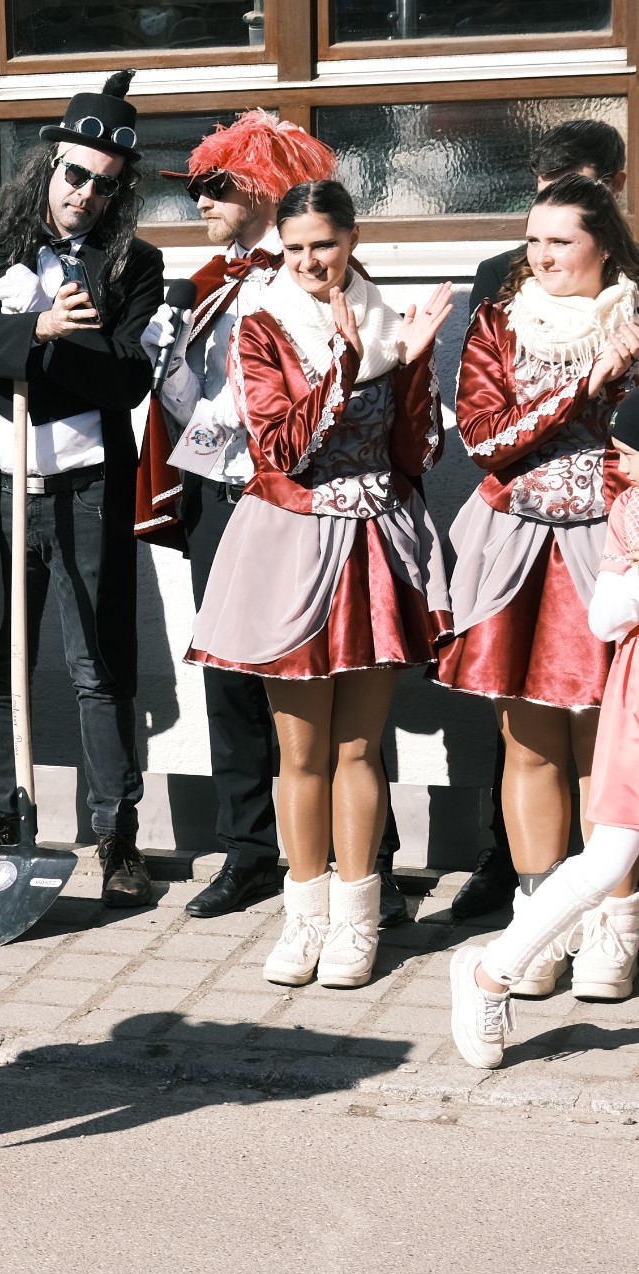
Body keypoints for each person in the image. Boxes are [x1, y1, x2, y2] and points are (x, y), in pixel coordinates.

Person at [185, 182, 451, 989]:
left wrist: (412, 366)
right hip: (292, 545)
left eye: (324, 245)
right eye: (295, 247)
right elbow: (281, 451)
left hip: (375, 547)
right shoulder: (261, 325)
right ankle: (303, 917)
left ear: (352, 239)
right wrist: (345, 362)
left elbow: (417, 456)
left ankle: (356, 919)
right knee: (300, 752)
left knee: (358, 747)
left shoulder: (390, 321)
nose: (308, 261)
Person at [0, 73, 163, 908]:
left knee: (97, 665)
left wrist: (54, 339)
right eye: (76, 175)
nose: (86, 196)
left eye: (106, 186)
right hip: (3, 485)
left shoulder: (134, 263)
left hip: (87, 486)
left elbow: (129, 377)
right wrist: (30, 325)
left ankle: (116, 834)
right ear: (49, 166)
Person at [438, 174, 639, 999]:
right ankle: (539, 926)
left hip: (612, 548)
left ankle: (613, 928)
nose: (543, 256)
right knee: (528, 742)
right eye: (533, 240)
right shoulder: (498, 320)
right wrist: (582, 385)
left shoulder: (637, 318)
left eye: (561, 241)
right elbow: (485, 440)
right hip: (517, 547)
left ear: (604, 246)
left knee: (604, 747)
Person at [139, 112, 340, 920]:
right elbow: (192, 413)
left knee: (317, 676)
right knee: (227, 678)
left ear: (259, 186)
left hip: (296, 500)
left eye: (214, 187)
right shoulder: (205, 284)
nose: (200, 203)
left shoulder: (312, 277)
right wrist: (165, 363)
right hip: (221, 499)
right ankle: (248, 851)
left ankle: (359, 857)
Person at [453, 394, 639, 1063]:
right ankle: (488, 974)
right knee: (609, 856)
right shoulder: (631, 509)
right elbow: (606, 616)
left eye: (629, 454)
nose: (619, 464)